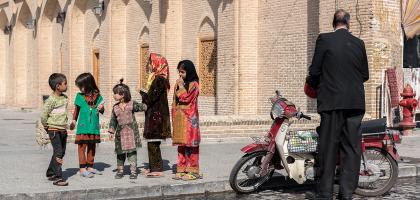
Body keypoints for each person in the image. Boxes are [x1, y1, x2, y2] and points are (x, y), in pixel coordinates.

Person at [305, 9, 369, 200]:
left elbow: (314, 71)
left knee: (328, 147)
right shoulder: (359, 43)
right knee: (351, 148)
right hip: (355, 103)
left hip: (332, 102)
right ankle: (346, 193)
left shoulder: (324, 40)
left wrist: (314, 85)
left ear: (334, 23)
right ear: (348, 23)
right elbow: (365, 75)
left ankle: (325, 193)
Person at [140, 53, 171, 177]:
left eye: (152, 63)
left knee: (153, 142)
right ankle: (153, 167)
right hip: (154, 114)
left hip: (156, 116)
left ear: (158, 64)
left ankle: (157, 169)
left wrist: (143, 93)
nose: (150, 65)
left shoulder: (160, 79)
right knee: (151, 143)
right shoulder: (156, 78)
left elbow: (152, 97)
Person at [108, 78, 147, 179]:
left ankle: (133, 171)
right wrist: (111, 132)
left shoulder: (131, 104)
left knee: (132, 153)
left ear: (123, 95)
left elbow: (142, 107)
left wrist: (144, 97)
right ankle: (120, 171)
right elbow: (113, 120)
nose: (114, 95)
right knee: (120, 154)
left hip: (131, 134)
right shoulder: (115, 107)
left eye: (115, 93)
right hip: (120, 134)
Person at [70, 73, 105, 178]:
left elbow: (102, 110)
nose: (80, 89)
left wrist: (101, 108)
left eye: (82, 86)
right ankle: (82, 168)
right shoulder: (79, 97)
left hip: (93, 126)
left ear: (88, 84)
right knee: (82, 146)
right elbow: (76, 110)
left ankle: (90, 166)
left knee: (92, 146)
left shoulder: (98, 96)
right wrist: (73, 121)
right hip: (83, 125)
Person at [171, 60, 202, 181]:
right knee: (181, 145)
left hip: (190, 120)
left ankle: (193, 170)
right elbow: (175, 101)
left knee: (191, 146)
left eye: (182, 72)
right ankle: (182, 168)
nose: (180, 75)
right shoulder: (179, 83)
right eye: (179, 72)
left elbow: (186, 98)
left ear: (189, 72)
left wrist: (180, 86)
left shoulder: (194, 84)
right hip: (179, 118)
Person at [41, 73, 70, 186]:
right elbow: (44, 115)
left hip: (63, 129)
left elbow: (65, 113)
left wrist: (70, 123)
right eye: (65, 84)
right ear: (58, 86)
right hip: (53, 130)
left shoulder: (65, 98)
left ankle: (50, 172)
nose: (67, 86)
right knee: (58, 152)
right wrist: (46, 126)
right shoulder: (51, 100)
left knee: (61, 152)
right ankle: (58, 177)